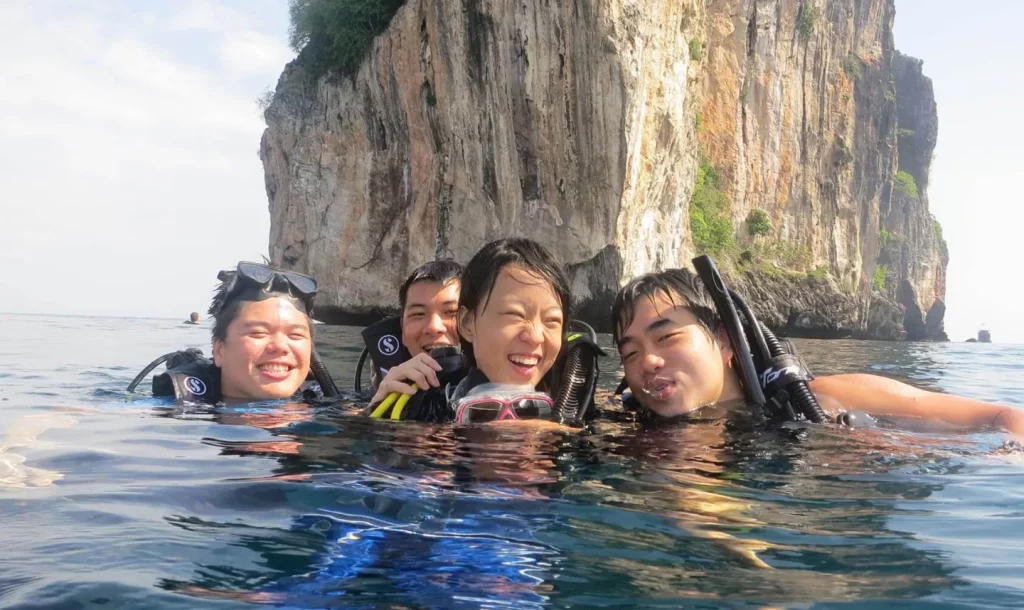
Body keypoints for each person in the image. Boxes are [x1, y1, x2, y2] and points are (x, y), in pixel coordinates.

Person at [611, 266, 1024, 435]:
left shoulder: (829, 396)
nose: (648, 361)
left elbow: (1003, 416)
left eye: (667, 337)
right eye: (630, 354)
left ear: (723, 339)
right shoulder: (626, 433)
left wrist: (1011, 452)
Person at [368, 237, 600, 424]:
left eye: (551, 321)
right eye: (514, 315)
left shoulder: (572, 399)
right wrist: (375, 413)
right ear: (467, 324)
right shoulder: (425, 405)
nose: (536, 336)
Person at [129, 262, 338, 404]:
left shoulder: (329, 406)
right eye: (258, 333)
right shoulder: (170, 406)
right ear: (219, 350)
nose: (281, 347)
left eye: (295, 335)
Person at [364, 259, 463, 400]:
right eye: (418, 314)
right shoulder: (378, 398)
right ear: (403, 330)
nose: (433, 327)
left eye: (451, 312)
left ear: (475, 323)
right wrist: (375, 409)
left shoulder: (500, 387)